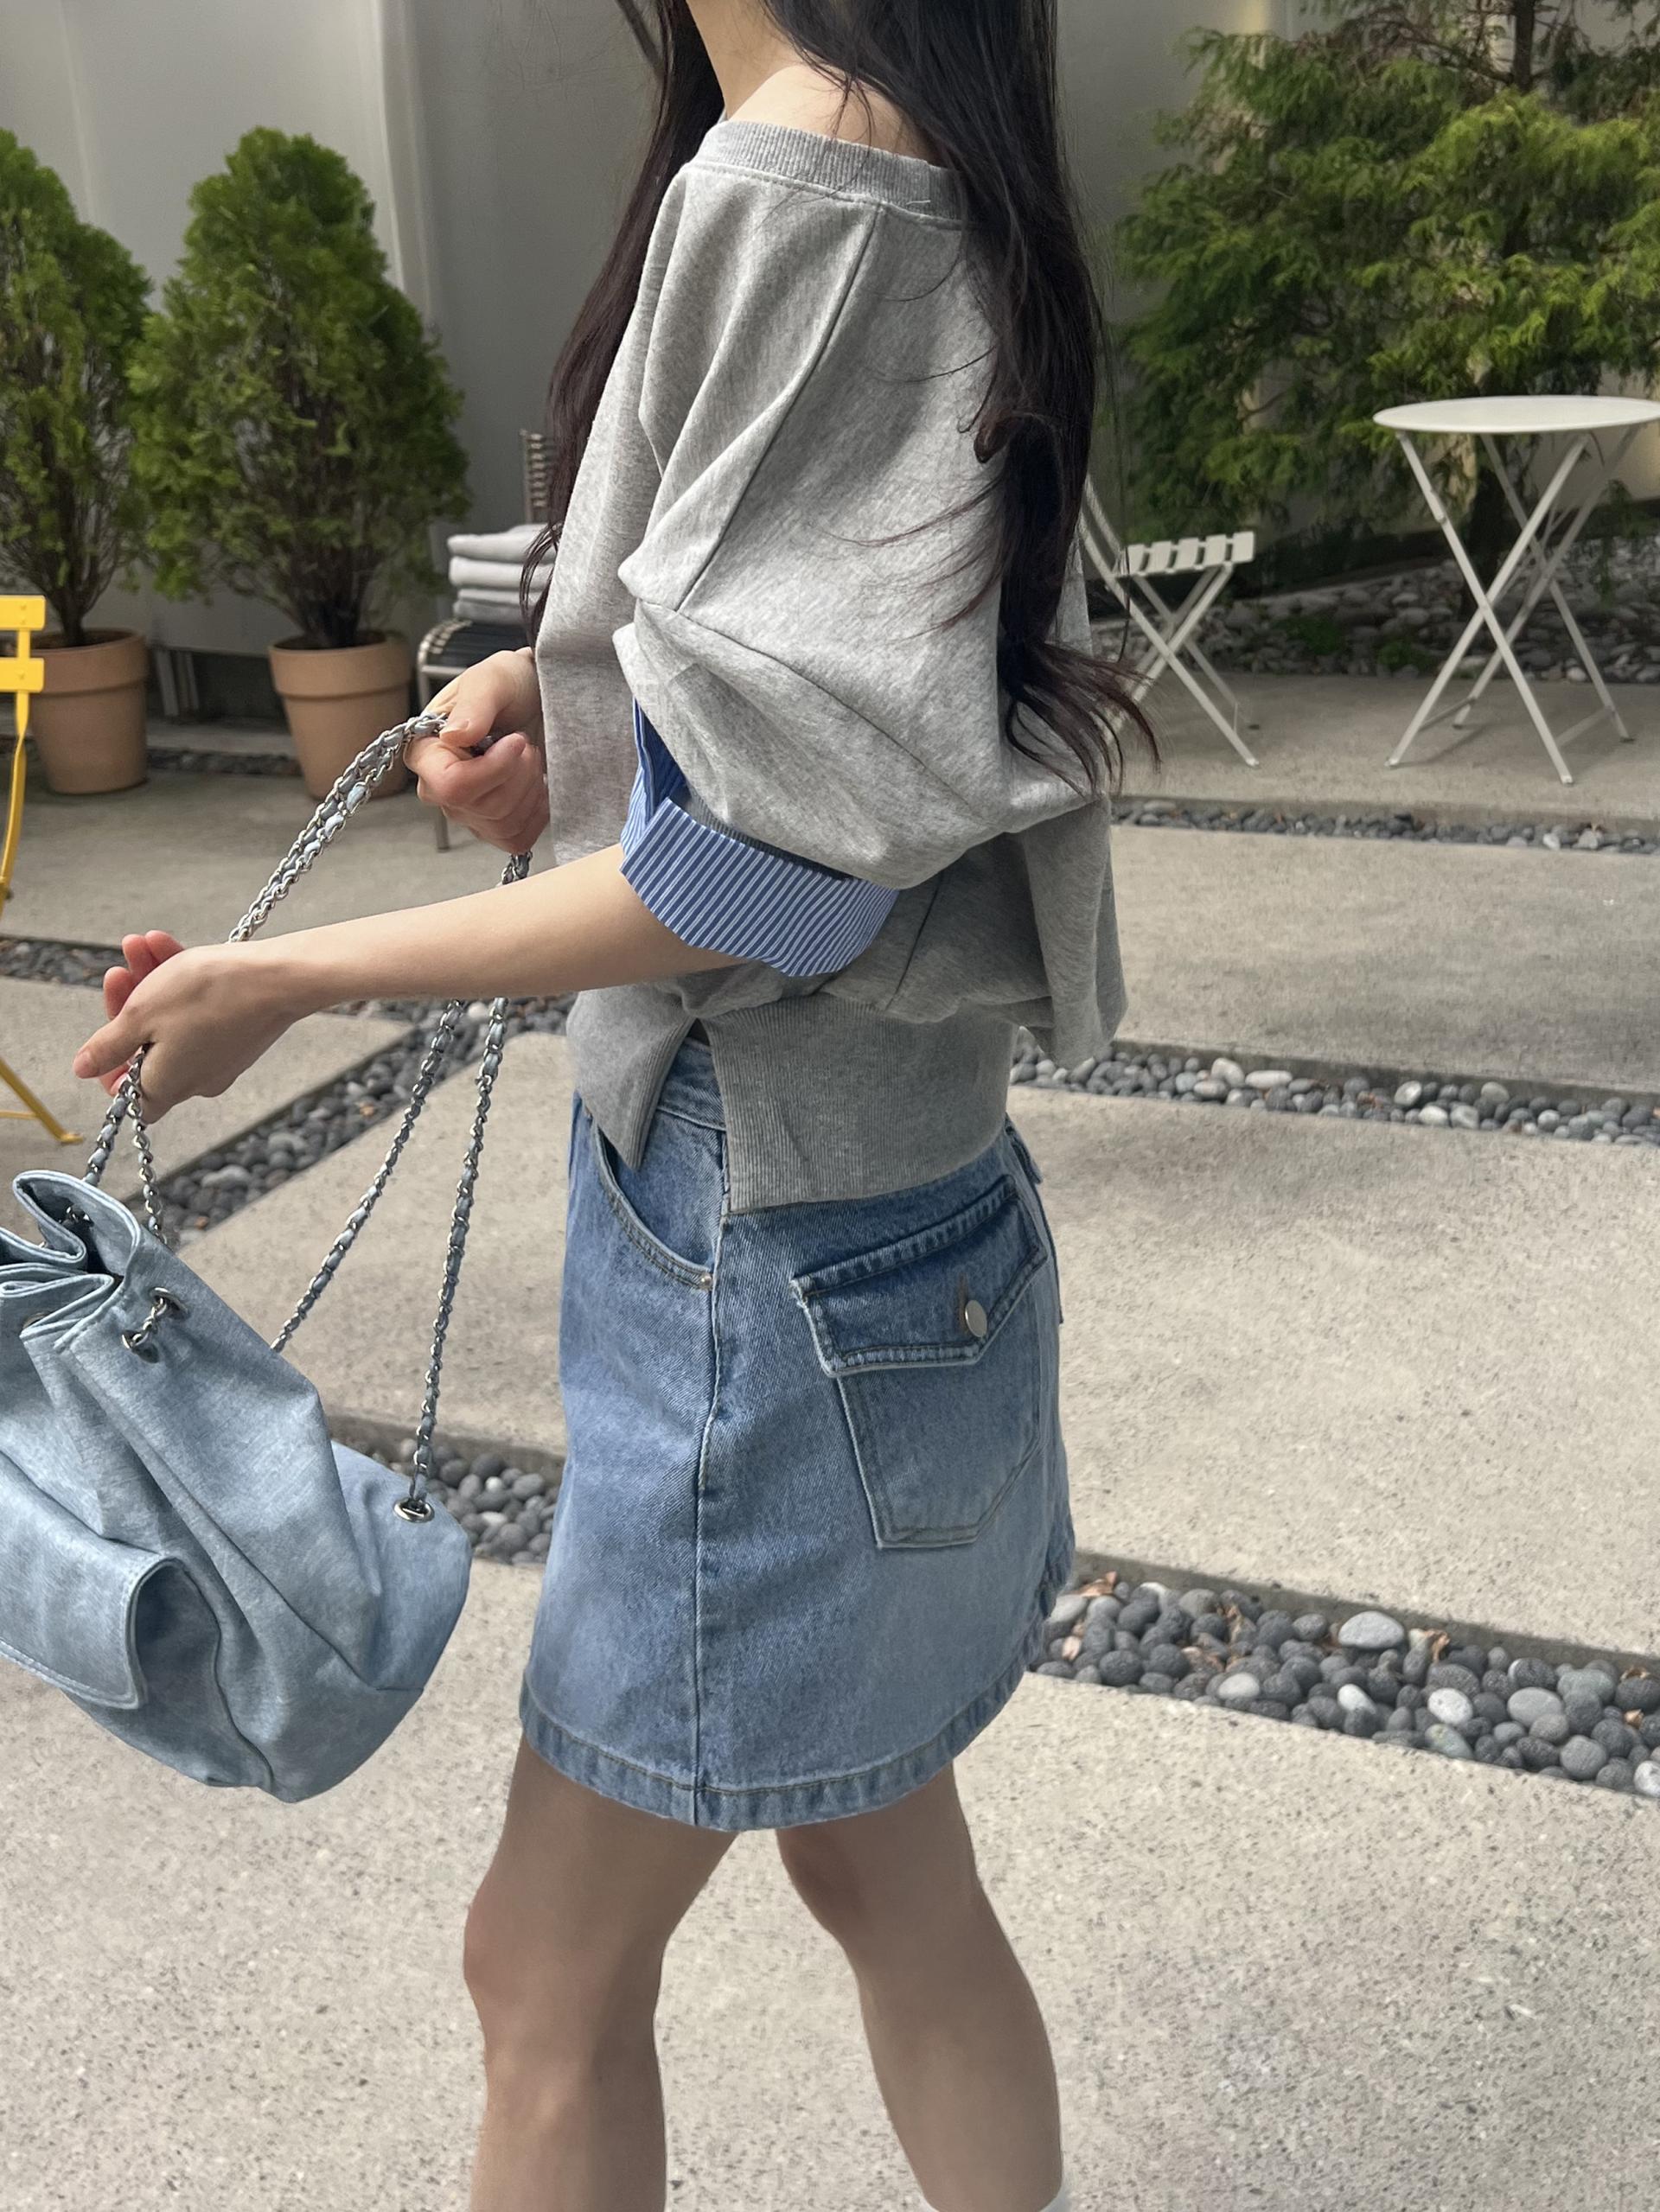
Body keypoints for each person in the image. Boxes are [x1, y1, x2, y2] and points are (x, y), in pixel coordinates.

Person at [73, 4, 1153, 2207]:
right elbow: (815, 723)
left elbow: (767, 872)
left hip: (764, 1264)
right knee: (887, 1874)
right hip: (900, 1215)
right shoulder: (902, 147)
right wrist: (569, 717)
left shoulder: (809, 180)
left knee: (540, 1971)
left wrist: (286, 978)